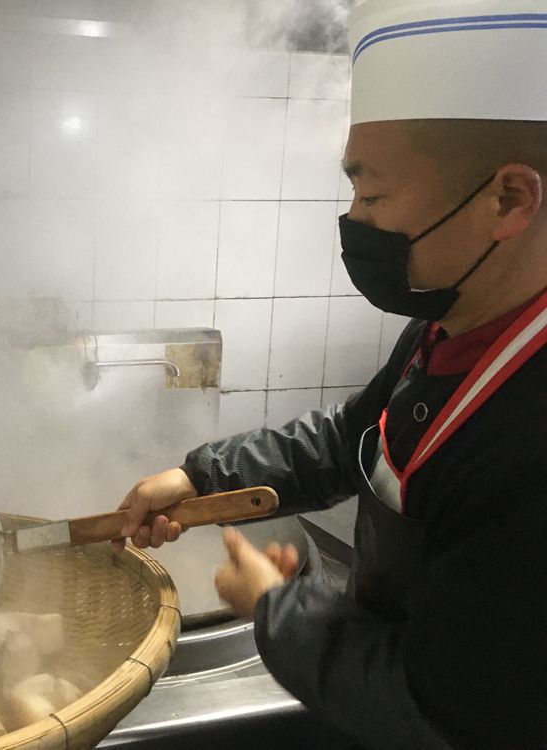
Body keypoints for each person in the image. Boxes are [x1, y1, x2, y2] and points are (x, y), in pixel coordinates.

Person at [112, 1, 547, 747]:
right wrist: (200, 479)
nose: (354, 220)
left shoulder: (530, 442)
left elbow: (440, 712)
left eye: (372, 195)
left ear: (508, 200)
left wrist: (276, 608)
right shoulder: (452, 324)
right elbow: (353, 438)